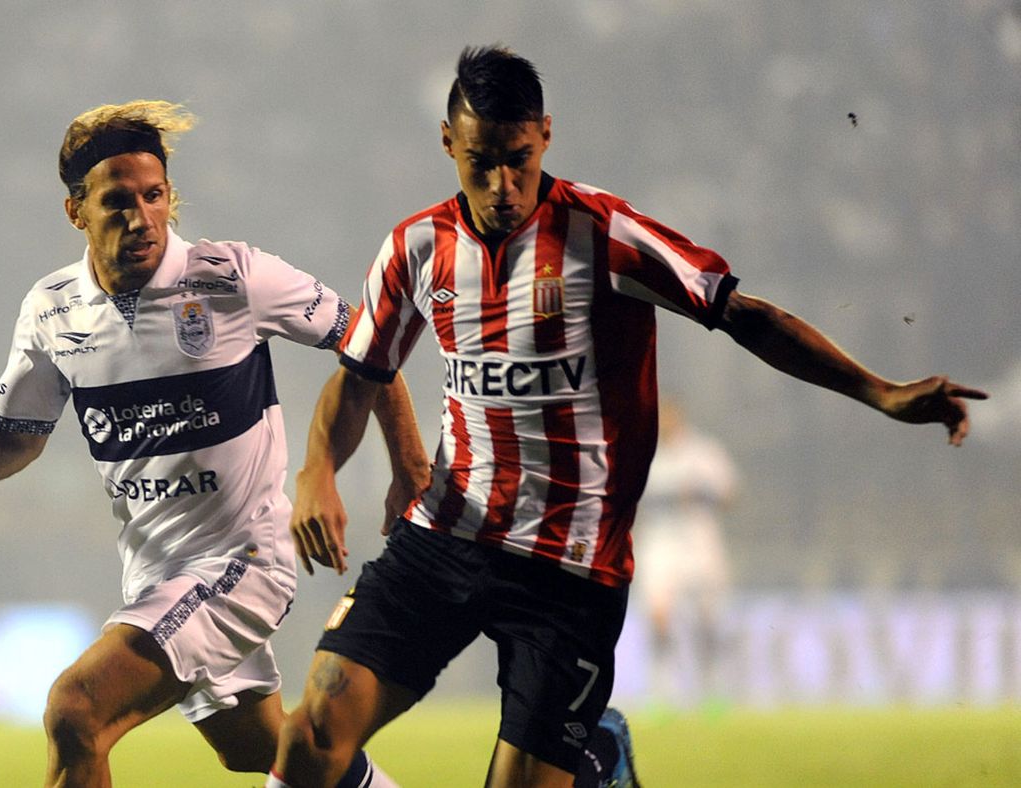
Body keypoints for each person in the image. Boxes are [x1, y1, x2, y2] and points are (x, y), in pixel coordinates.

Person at [270, 46, 987, 788]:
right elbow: (358, 378)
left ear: (546, 134)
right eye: (481, 162)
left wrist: (881, 392)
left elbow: (744, 316)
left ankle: (598, 760)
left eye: (519, 158)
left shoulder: (602, 233)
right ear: (448, 144)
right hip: (447, 534)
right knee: (310, 739)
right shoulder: (416, 247)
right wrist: (317, 471)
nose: (504, 184)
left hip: (569, 568)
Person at [0, 101, 427, 788]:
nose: (141, 217)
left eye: (154, 195)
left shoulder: (232, 277)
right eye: (116, 202)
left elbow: (372, 341)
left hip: (241, 563)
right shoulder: (52, 309)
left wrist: (409, 464)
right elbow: (16, 436)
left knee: (76, 710)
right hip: (155, 576)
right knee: (269, 754)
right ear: (75, 211)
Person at [635, 400, 738, 710]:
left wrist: (698, 494)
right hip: (659, 544)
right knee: (658, 618)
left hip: (699, 542)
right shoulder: (644, 453)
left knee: (706, 620)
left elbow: (731, 494)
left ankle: (711, 690)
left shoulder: (703, 452)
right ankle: (661, 691)